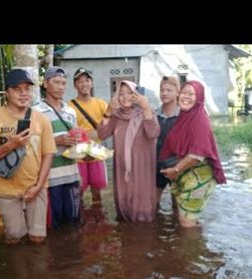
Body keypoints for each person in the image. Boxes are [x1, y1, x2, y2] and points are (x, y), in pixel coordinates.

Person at [0, 68, 56, 245]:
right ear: (7, 92)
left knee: (38, 239)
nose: (23, 94)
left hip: (36, 188)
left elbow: (48, 154)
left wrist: (38, 187)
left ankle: (37, 273)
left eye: (27, 89)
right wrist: (10, 145)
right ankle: (20, 272)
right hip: (7, 190)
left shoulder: (41, 120)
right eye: (17, 89)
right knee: (14, 238)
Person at [159, 80, 226, 228]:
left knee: (186, 222)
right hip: (186, 174)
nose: (186, 97)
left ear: (199, 98)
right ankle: (191, 247)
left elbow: (197, 154)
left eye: (192, 94)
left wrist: (175, 170)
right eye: (184, 93)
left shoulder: (199, 119)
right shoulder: (184, 117)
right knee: (187, 218)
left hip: (198, 176)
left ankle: (193, 250)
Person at [97, 80, 160, 222]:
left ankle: (144, 236)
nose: (125, 97)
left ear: (137, 95)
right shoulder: (116, 116)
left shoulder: (146, 112)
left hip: (141, 168)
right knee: (124, 206)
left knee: (142, 210)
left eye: (130, 93)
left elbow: (153, 133)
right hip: (122, 168)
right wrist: (107, 113)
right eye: (121, 93)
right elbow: (102, 134)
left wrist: (145, 109)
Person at [32, 66, 82, 228]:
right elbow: (31, 146)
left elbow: (75, 139)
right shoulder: (36, 112)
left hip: (72, 174)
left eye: (63, 83)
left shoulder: (70, 111)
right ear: (46, 84)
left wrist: (81, 146)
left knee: (74, 221)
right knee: (54, 224)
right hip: (50, 177)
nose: (61, 87)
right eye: (56, 82)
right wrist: (57, 141)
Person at [68, 67, 109, 203]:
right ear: (75, 85)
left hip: (96, 150)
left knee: (97, 191)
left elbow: (108, 128)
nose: (84, 84)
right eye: (79, 81)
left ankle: (98, 218)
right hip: (78, 152)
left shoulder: (101, 104)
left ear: (91, 83)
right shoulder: (69, 107)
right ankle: (79, 218)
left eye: (87, 80)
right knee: (78, 190)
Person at [156, 75, 181, 209]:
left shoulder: (183, 115)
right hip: (157, 164)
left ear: (178, 92)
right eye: (162, 90)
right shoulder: (155, 115)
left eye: (169, 90)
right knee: (153, 202)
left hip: (177, 165)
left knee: (177, 204)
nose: (164, 93)